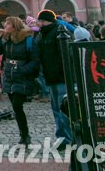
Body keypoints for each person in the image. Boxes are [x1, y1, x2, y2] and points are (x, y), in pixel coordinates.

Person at [0, 16, 40, 146]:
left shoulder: (27, 39)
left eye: (8, 24)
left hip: (22, 76)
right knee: (15, 107)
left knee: (18, 104)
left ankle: (25, 134)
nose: (5, 26)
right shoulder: (7, 39)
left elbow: (35, 60)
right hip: (9, 75)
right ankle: (23, 134)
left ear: (14, 26)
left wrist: (23, 70)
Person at [35, 9, 73, 149]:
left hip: (61, 76)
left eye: (41, 21)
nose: (39, 24)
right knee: (56, 108)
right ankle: (61, 136)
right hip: (50, 76)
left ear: (47, 21)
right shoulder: (43, 34)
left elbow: (67, 55)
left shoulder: (59, 32)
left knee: (64, 108)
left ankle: (67, 138)